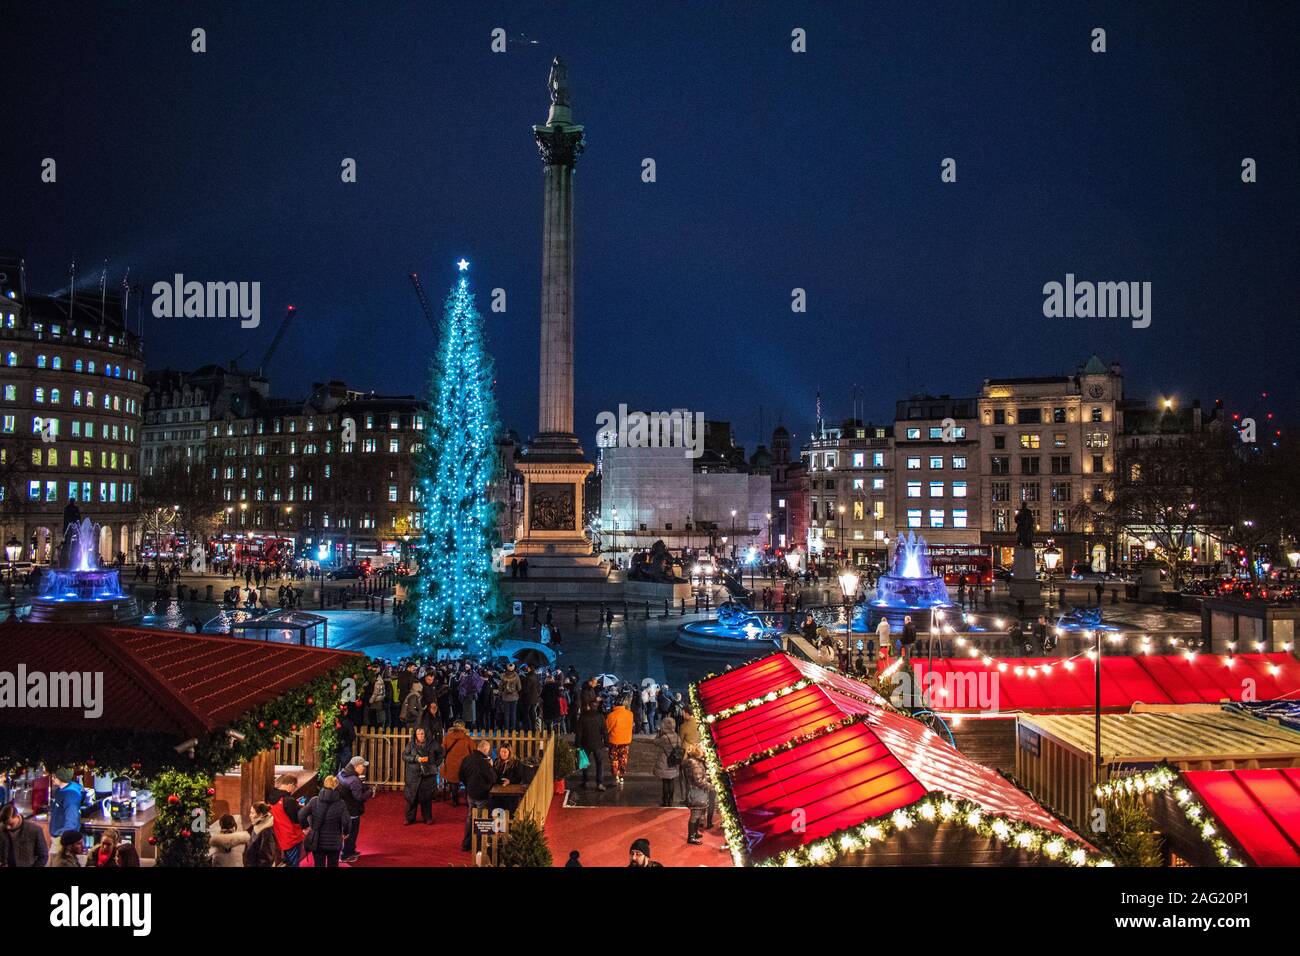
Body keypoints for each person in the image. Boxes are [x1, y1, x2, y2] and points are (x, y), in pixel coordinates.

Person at [299, 775, 351, 868]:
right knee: (333, 865)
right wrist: (346, 832)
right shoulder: (341, 803)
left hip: (317, 841)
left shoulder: (314, 801)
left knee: (318, 865)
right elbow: (346, 821)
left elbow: (301, 814)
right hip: (334, 841)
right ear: (336, 786)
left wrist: (305, 827)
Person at [459, 739, 498, 852]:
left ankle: (466, 844)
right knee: (481, 820)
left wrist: (468, 786)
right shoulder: (484, 762)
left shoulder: (467, 759)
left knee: (470, 818)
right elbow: (493, 778)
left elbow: (461, 776)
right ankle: (479, 845)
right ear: (485, 749)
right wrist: (491, 766)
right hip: (482, 794)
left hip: (470, 793)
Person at [336, 757, 373, 863]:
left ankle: (348, 851)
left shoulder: (341, 773)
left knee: (345, 833)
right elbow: (359, 797)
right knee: (352, 834)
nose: (364, 768)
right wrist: (370, 792)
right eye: (363, 766)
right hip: (352, 811)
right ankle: (346, 855)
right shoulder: (354, 780)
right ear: (356, 766)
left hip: (343, 809)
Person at [403, 727, 441, 824]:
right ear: (415, 735)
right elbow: (404, 756)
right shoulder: (410, 745)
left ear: (425, 734)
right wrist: (415, 759)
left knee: (426, 798)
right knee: (412, 798)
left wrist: (434, 764)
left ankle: (427, 818)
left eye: (422, 733)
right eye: (418, 734)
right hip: (413, 775)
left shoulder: (432, 744)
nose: (420, 735)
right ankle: (409, 818)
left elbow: (440, 755)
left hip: (427, 775)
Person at [269, 773, 306, 866]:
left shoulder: (272, 797)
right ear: (290, 785)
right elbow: (297, 819)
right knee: (293, 864)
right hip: (292, 837)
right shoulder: (288, 800)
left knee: (288, 862)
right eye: (295, 787)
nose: (294, 790)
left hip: (280, 835)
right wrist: (300, 808)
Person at [681, 744, 713, 845]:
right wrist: (710, 786)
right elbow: (698, 781)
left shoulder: (693, 763)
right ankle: (691, 836)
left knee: (697, 814)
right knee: (695, 815)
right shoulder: (696, 765)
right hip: (697, 794)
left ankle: (694, 833)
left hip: (695, 793)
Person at [441, 720, 474, 806]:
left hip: (451, 765)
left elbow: (443, 752)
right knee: (467, 782)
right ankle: (468, 800)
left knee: (453, 782)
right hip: (464, 765)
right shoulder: (467, 739)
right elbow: (473, 752)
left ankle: (455, 801)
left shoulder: (447, 738)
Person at [576, 705, 609, 791]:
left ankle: (585, 781)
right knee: (599, 763)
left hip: (585, 743)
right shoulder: (600, 717)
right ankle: (600, 783)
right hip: (598, 743)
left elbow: (579, 732)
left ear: (589, 707)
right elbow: (605, 731)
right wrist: (606, 743)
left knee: (585, 762)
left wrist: (577, 744)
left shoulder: (583, 717)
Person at [605, 695, 634, 788]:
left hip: (614, 742)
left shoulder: (612, 715)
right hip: (625, 741)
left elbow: (607, 729)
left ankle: (616, 777)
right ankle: (622, 777)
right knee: (623, 759)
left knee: (614, 760)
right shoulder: (630, 714)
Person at [47, 768, 84, 843]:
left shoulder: (70, 795)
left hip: (61, 839)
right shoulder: (59, 791)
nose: (52, 778)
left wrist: (63, 840)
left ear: (61, 777)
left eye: (54, 776)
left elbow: (71, 822)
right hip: (57, 837)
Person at [654, 716, 682, 807]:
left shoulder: (664, 738)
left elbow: (655, 742)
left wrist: (659, 734)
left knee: (665, 782)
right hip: (674, 762)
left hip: (665, 761)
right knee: (672, 780)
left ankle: (665, 800)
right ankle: (671, 800)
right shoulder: (677, 737)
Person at [244, 802, 282, 867]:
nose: (250, 815)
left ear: (261, 814)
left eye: (252, 813)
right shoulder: (258, 826)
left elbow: (267, 858)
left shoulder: (266, 831)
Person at [499, 663, 522, 730]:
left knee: (506, 714)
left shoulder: (503, 676)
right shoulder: (516, 676)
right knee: (513, 714)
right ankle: (513, 729)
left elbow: (500, 687)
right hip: (514, 697)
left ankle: (506, 730)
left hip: (505, 697)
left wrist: (501, 693)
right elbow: (519, 688)